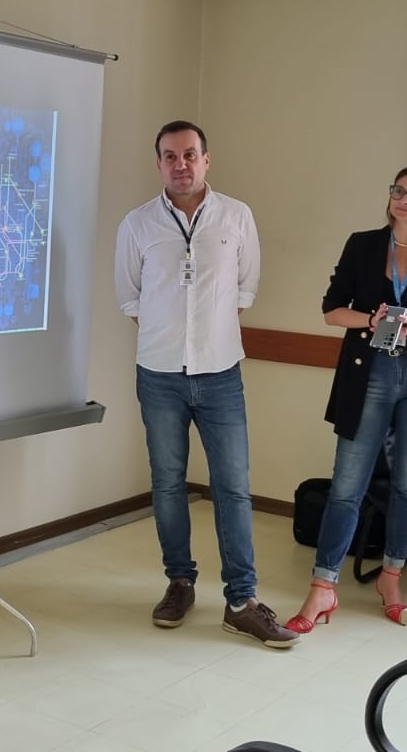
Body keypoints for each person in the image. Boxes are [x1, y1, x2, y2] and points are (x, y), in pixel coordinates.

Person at [114, 120, 298, 649]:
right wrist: (173, 339)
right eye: (170, 156)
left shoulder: (236, 217)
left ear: (207, 159)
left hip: (221, 376)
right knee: (169, 484)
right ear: (159, 164)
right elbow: (131, 299)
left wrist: (203, 339)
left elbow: (245, 290)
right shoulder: (138, 224)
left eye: (190, 154)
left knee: (233, 487)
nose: (181, 164)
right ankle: (179, 581)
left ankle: (241, 601)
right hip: (159, 375)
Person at [286, 164, 407, 633]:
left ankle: (391, 576)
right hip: (369, 373)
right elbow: (331, 311)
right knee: (347, 484)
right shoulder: (363, 244)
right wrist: (373, 319)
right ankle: (322, 587)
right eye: (398, 191)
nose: (403, 200)